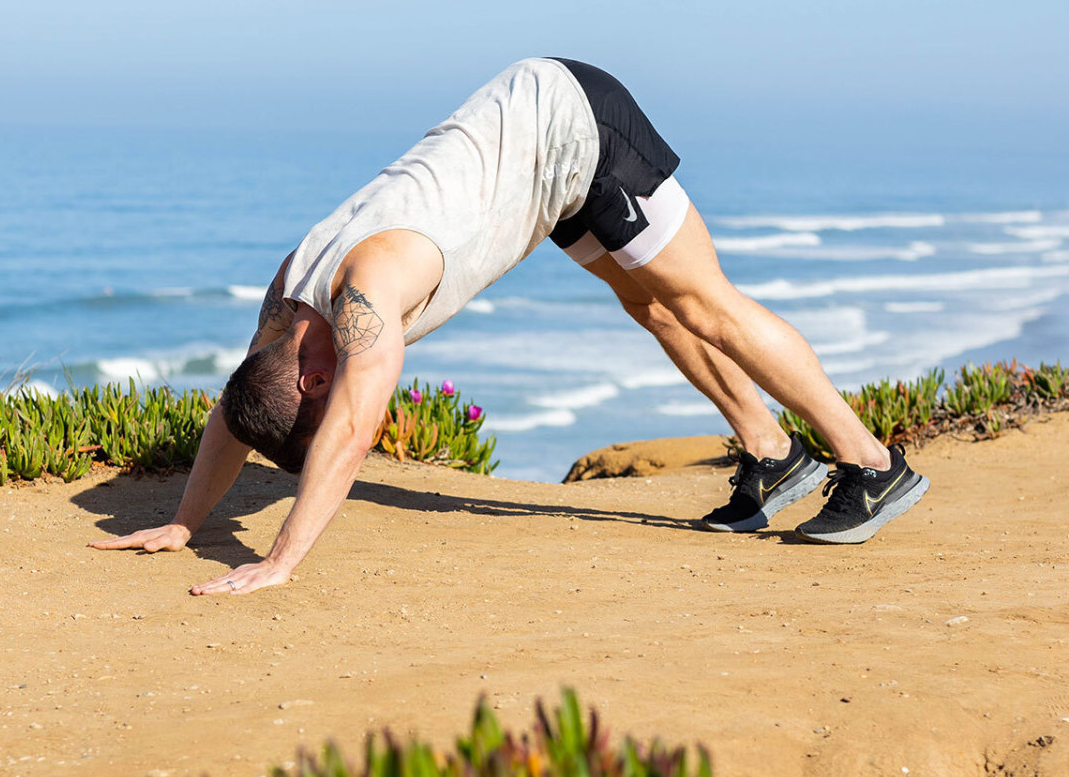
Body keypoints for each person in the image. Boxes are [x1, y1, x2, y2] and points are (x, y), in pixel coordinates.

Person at [90, 57, 929, 595]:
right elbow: (240, 404)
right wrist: (188, 522)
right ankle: (770, 451)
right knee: (648, 302)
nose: (332, 396)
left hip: (576, 126)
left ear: (316, 375)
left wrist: (279, 561)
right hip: (539, 168)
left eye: (323, 399)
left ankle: (870, 462)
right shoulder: (284, 318)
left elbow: (350, 428)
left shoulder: (368, 292)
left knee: (703, 300)